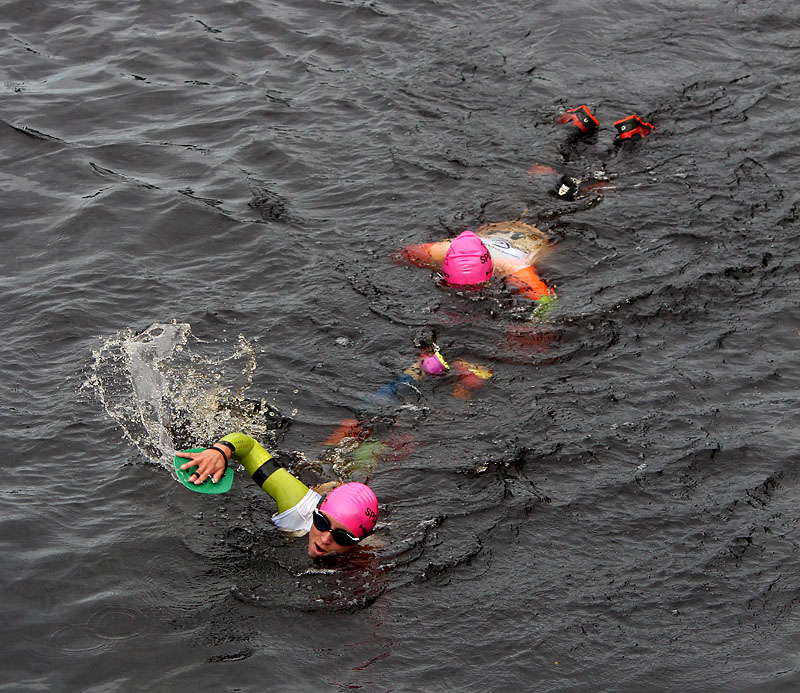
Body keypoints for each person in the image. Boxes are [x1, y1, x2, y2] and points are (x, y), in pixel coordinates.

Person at [175, 433, 378, 559]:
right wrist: (219, 451)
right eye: (321, 522)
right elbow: (250, 447)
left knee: (378, 447)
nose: (325, 539)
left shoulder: (365, 554)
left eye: (342, 537)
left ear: (358, 541)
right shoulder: (298, 507)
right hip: (321, 481)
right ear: (316, 512)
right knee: (346, 437)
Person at [395, 220, 557, 318]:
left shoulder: (513, 268)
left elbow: (547, 301)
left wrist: (530, 327)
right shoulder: (441, 250)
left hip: (533, 239)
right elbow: (400, 254)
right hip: (492, 231)